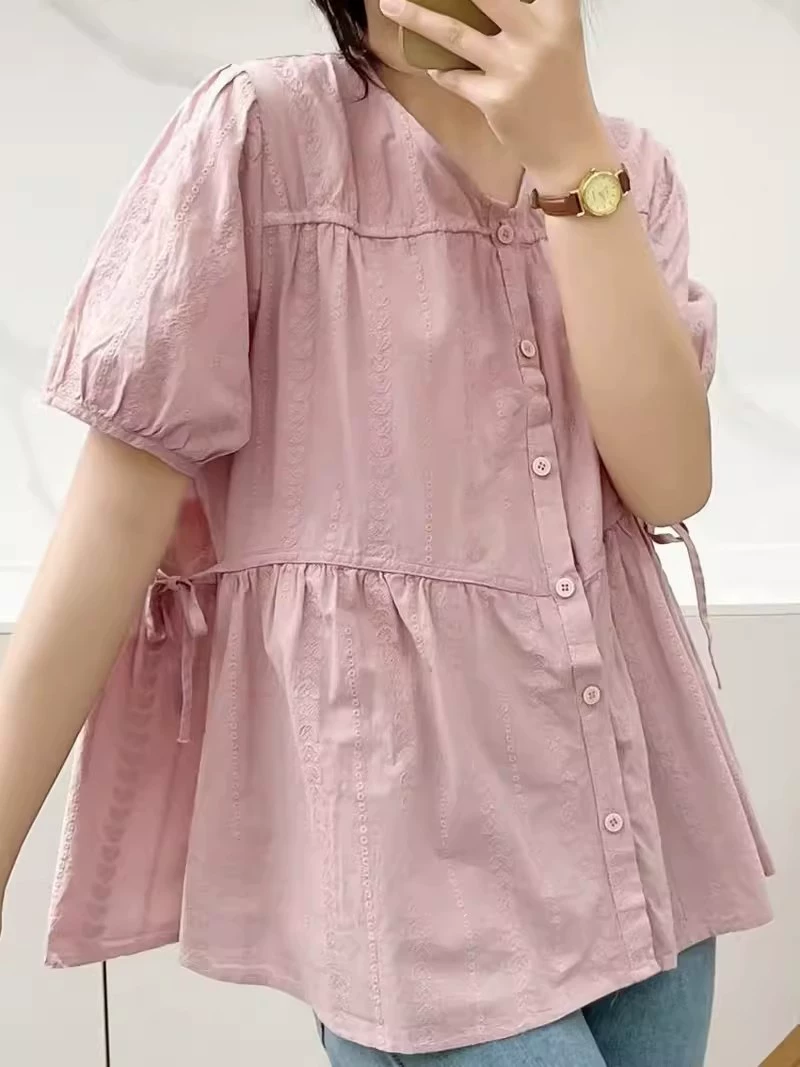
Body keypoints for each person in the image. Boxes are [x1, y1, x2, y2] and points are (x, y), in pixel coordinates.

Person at [0, 1, 773, 1064]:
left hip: (636, 843)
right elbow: (112, 522)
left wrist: (571, 165)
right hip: (415, 874)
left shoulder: (624, 170)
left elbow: (669, 480)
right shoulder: (266, 137)